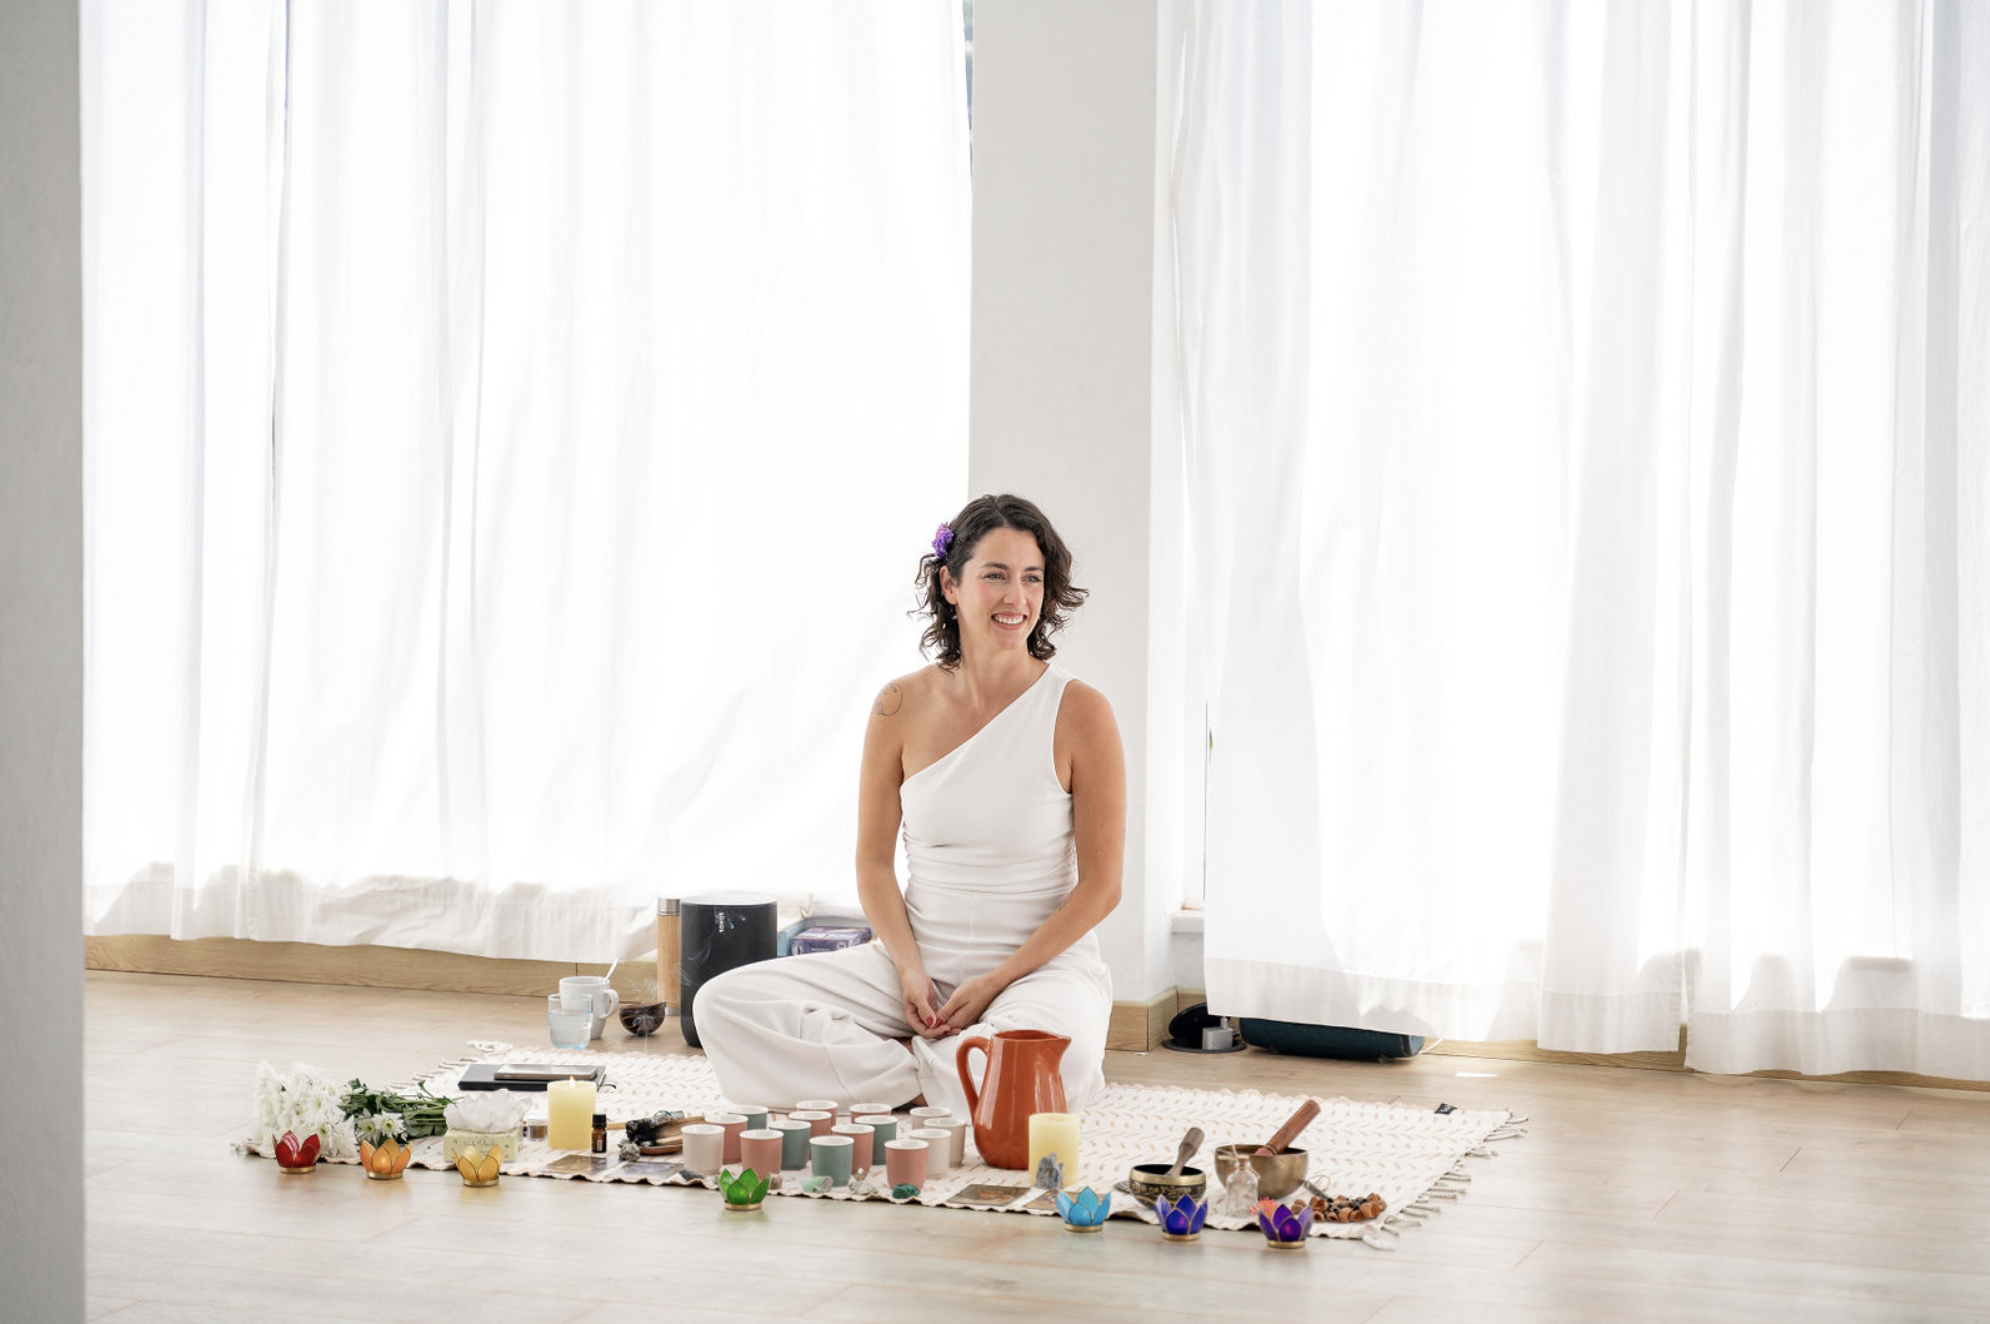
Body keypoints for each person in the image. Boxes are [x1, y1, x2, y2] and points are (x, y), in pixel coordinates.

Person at [695, 494, 1124, 1117]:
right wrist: (908, 971)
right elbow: (872, 864)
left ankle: (899, 1073)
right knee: (721, 1005)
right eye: (995, 576)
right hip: (919, 963)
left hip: (1038, 974)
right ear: (951, 585)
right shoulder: (898, 705)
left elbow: (1102, 888)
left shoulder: (1081, 711)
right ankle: (945, 1080)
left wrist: (996, 983)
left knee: (1065, 1060)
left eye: (1032, 578)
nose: (1017, 598)